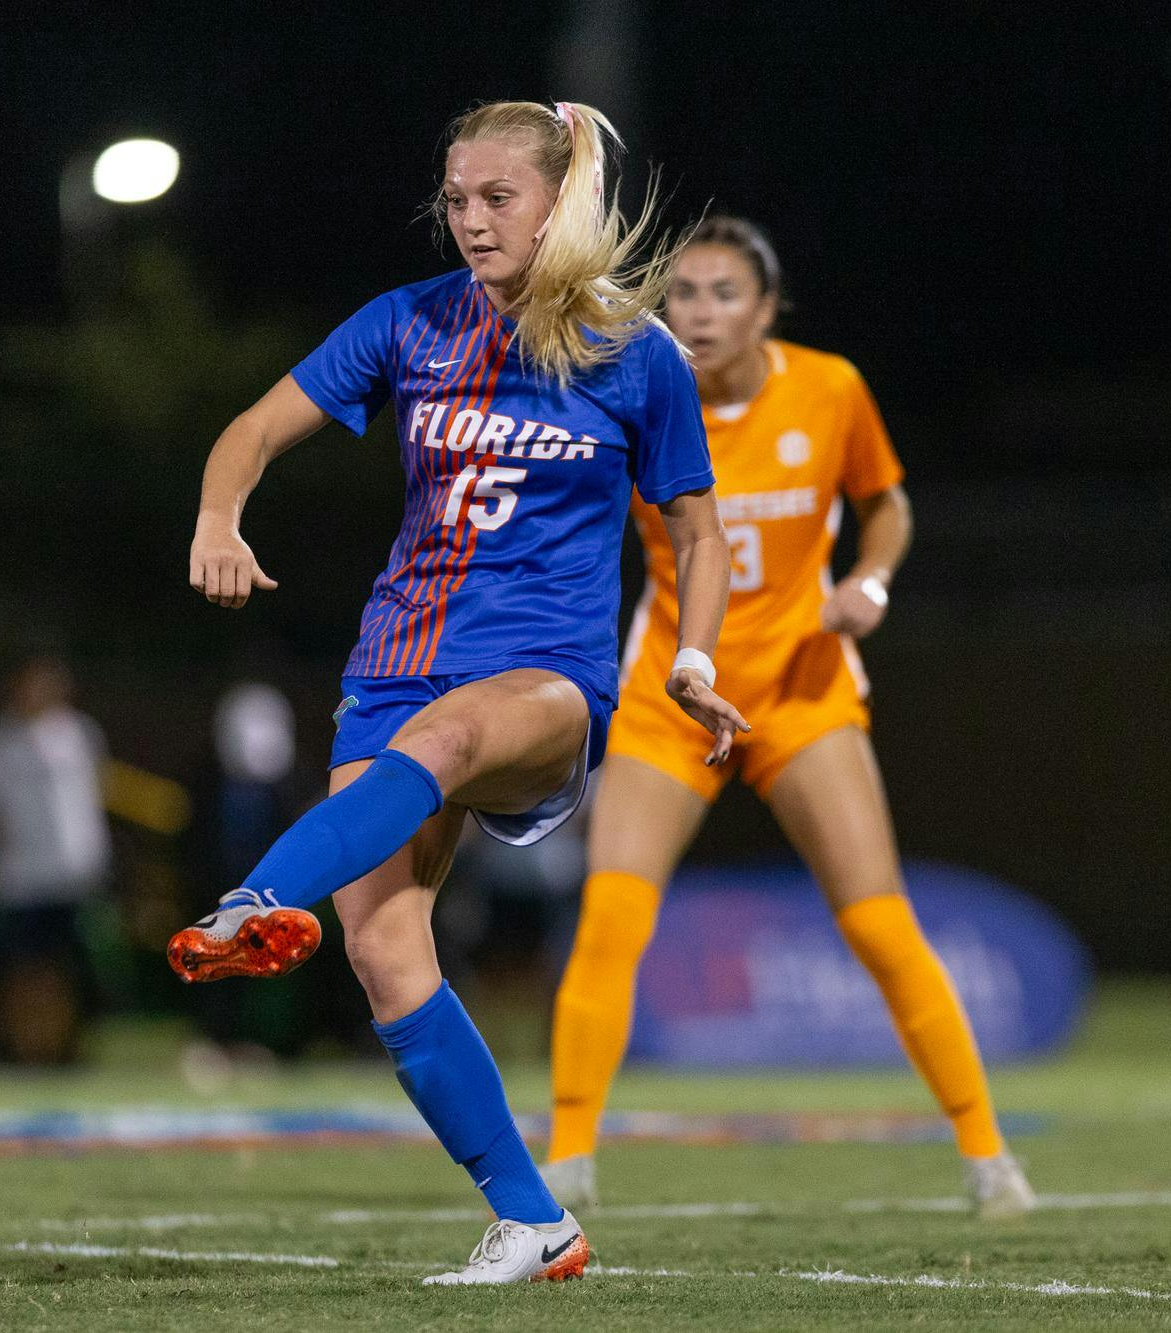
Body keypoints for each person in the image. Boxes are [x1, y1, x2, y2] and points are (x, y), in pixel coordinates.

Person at [167, 99, 748, 1284]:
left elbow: (696, 532)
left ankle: (250, 899)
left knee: (454, 731)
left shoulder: (634, 355)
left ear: (555, 203)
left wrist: (691, 659)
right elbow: (248, 430)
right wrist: (217, 515)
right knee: (383, 952)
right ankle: (535, 1220)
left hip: (544, 682)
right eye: (456, 197)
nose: (471, 220)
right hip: (390, 668)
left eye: (498, 199)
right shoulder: (405, 323)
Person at [541, 216, 1035, 1218]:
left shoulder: (829, 387)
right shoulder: (638, 392)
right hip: (671, 693)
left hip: (801, 687)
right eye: (679, 293)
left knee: (879, 922)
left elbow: (886, 502)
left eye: (723, 292)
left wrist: (870, 582)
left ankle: (989, 1158)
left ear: (766, 308)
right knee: (608, 919)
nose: (698, 311)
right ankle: (564, 1161)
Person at [0, 653, 110, 1064]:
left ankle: (65, 1049)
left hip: (72, 875)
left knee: (66, 972)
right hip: (18, 878)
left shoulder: (79, 733)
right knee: (19, 971)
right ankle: (17, 1050)